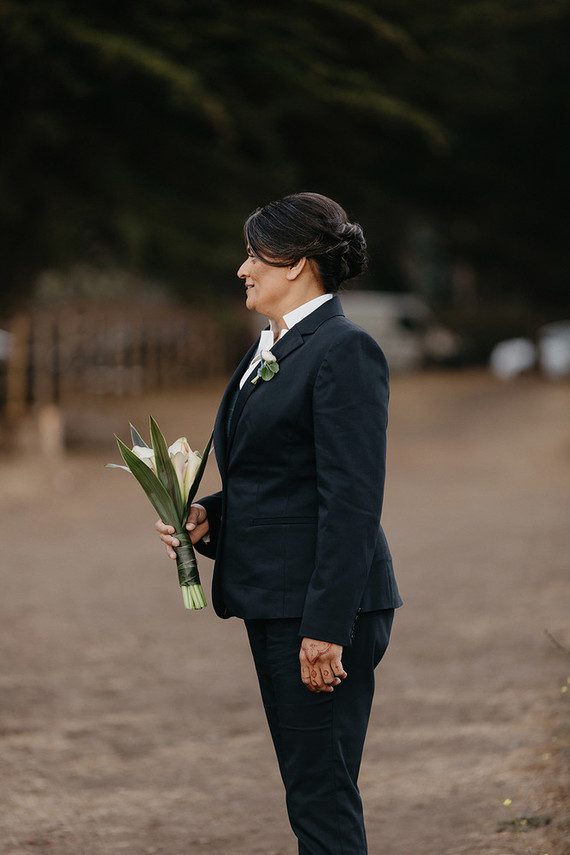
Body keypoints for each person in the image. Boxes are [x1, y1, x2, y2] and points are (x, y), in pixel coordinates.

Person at [156, 192, 402, 855]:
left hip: (320, 610)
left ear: (295, 262)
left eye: (253, 255)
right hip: (276, 599)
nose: (242, 269)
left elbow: (351, 500)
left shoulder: (344, 350)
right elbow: (278, 479)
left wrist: (326, 626)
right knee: (311, 788)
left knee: (320, 795)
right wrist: (208, 516)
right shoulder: (267, 349)